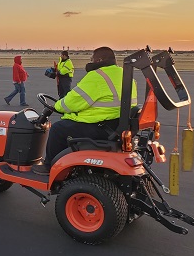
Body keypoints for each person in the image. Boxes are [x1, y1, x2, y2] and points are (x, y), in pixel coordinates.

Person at [32, 46, 137, 175]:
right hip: (115, 124)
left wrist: (57, 106)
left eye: (91, 59)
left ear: (98, 60)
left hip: (101, 127)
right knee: (68, 126)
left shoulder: (98, 76)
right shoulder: (124, 74)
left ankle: (49, 166)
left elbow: (70, 102)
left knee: (58, 129)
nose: (90, 61)